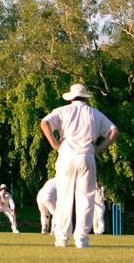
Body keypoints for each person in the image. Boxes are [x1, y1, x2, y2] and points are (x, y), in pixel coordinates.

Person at [40, 83, 119, 248]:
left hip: (66, 154)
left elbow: (44, 123)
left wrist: (55, 144)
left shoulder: (63, 111)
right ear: (85, 97)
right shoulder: (95, 114)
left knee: (63, 198)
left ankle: (61, 238)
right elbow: (114, 132)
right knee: (85, 199)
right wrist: (98, 148)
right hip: (87, 155)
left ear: (71, 98)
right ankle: (82, 239)